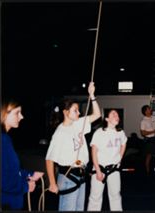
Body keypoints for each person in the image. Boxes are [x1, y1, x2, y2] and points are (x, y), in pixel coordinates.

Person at [45, 82, 101, 211]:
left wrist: (92, 96)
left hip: (80, 175)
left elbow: (97, 115)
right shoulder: (60, 132)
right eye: (75, 110)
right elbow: (49, 159)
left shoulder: (78, 123)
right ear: (65, 112)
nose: (79, 113)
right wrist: (52, 183)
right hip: (68, 177)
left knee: (79, 209)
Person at [0, 99, 44, 210]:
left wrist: (30, 174)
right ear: (4, 113)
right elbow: (4, 181)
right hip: (6, 204)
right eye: (17, 113)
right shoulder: (2, 140)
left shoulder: (6, 139)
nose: (21, 117)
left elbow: (11, 171)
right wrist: (26, 186)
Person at [87, 109, 127, 211]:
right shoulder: (100, 132)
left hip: (114, 169)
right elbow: (94, 152)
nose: (116, 116)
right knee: (95, 197)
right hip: (100, 168)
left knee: (116, 196)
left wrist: (119, 158)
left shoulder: (120, 132)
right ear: (107, 119)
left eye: (117, 115)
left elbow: (124, 143)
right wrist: (98, 170)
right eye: (113, 114)